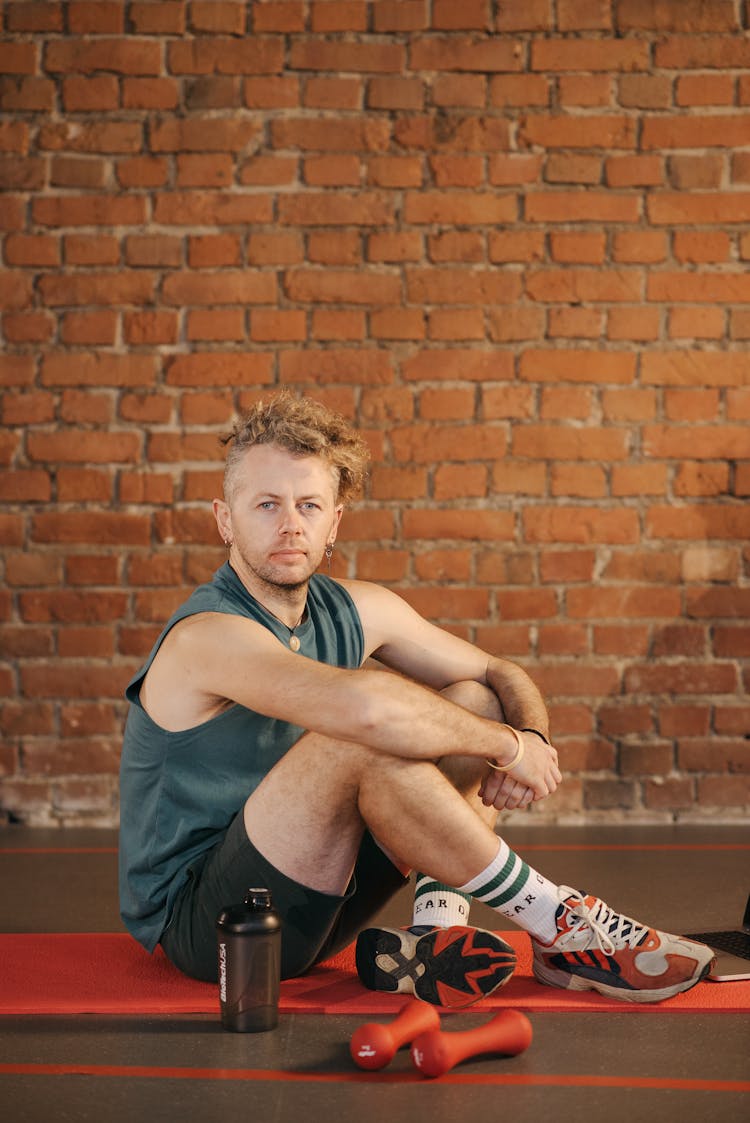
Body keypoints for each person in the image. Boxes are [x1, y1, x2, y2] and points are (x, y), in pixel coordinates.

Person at [119, 392, 713, 1007]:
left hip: (316, 896)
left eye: (309, 505)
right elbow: (368, 711)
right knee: (358, 739)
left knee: (474, 700)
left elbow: (496, 671)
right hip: (211, 932)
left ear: (335, 523)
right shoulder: (206, 636)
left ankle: (437, 931)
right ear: (225, 518)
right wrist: (507, 749)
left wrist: (529, 736)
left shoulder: (356, 607)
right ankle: (559, 922)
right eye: (266, 504)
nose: (289, 523)